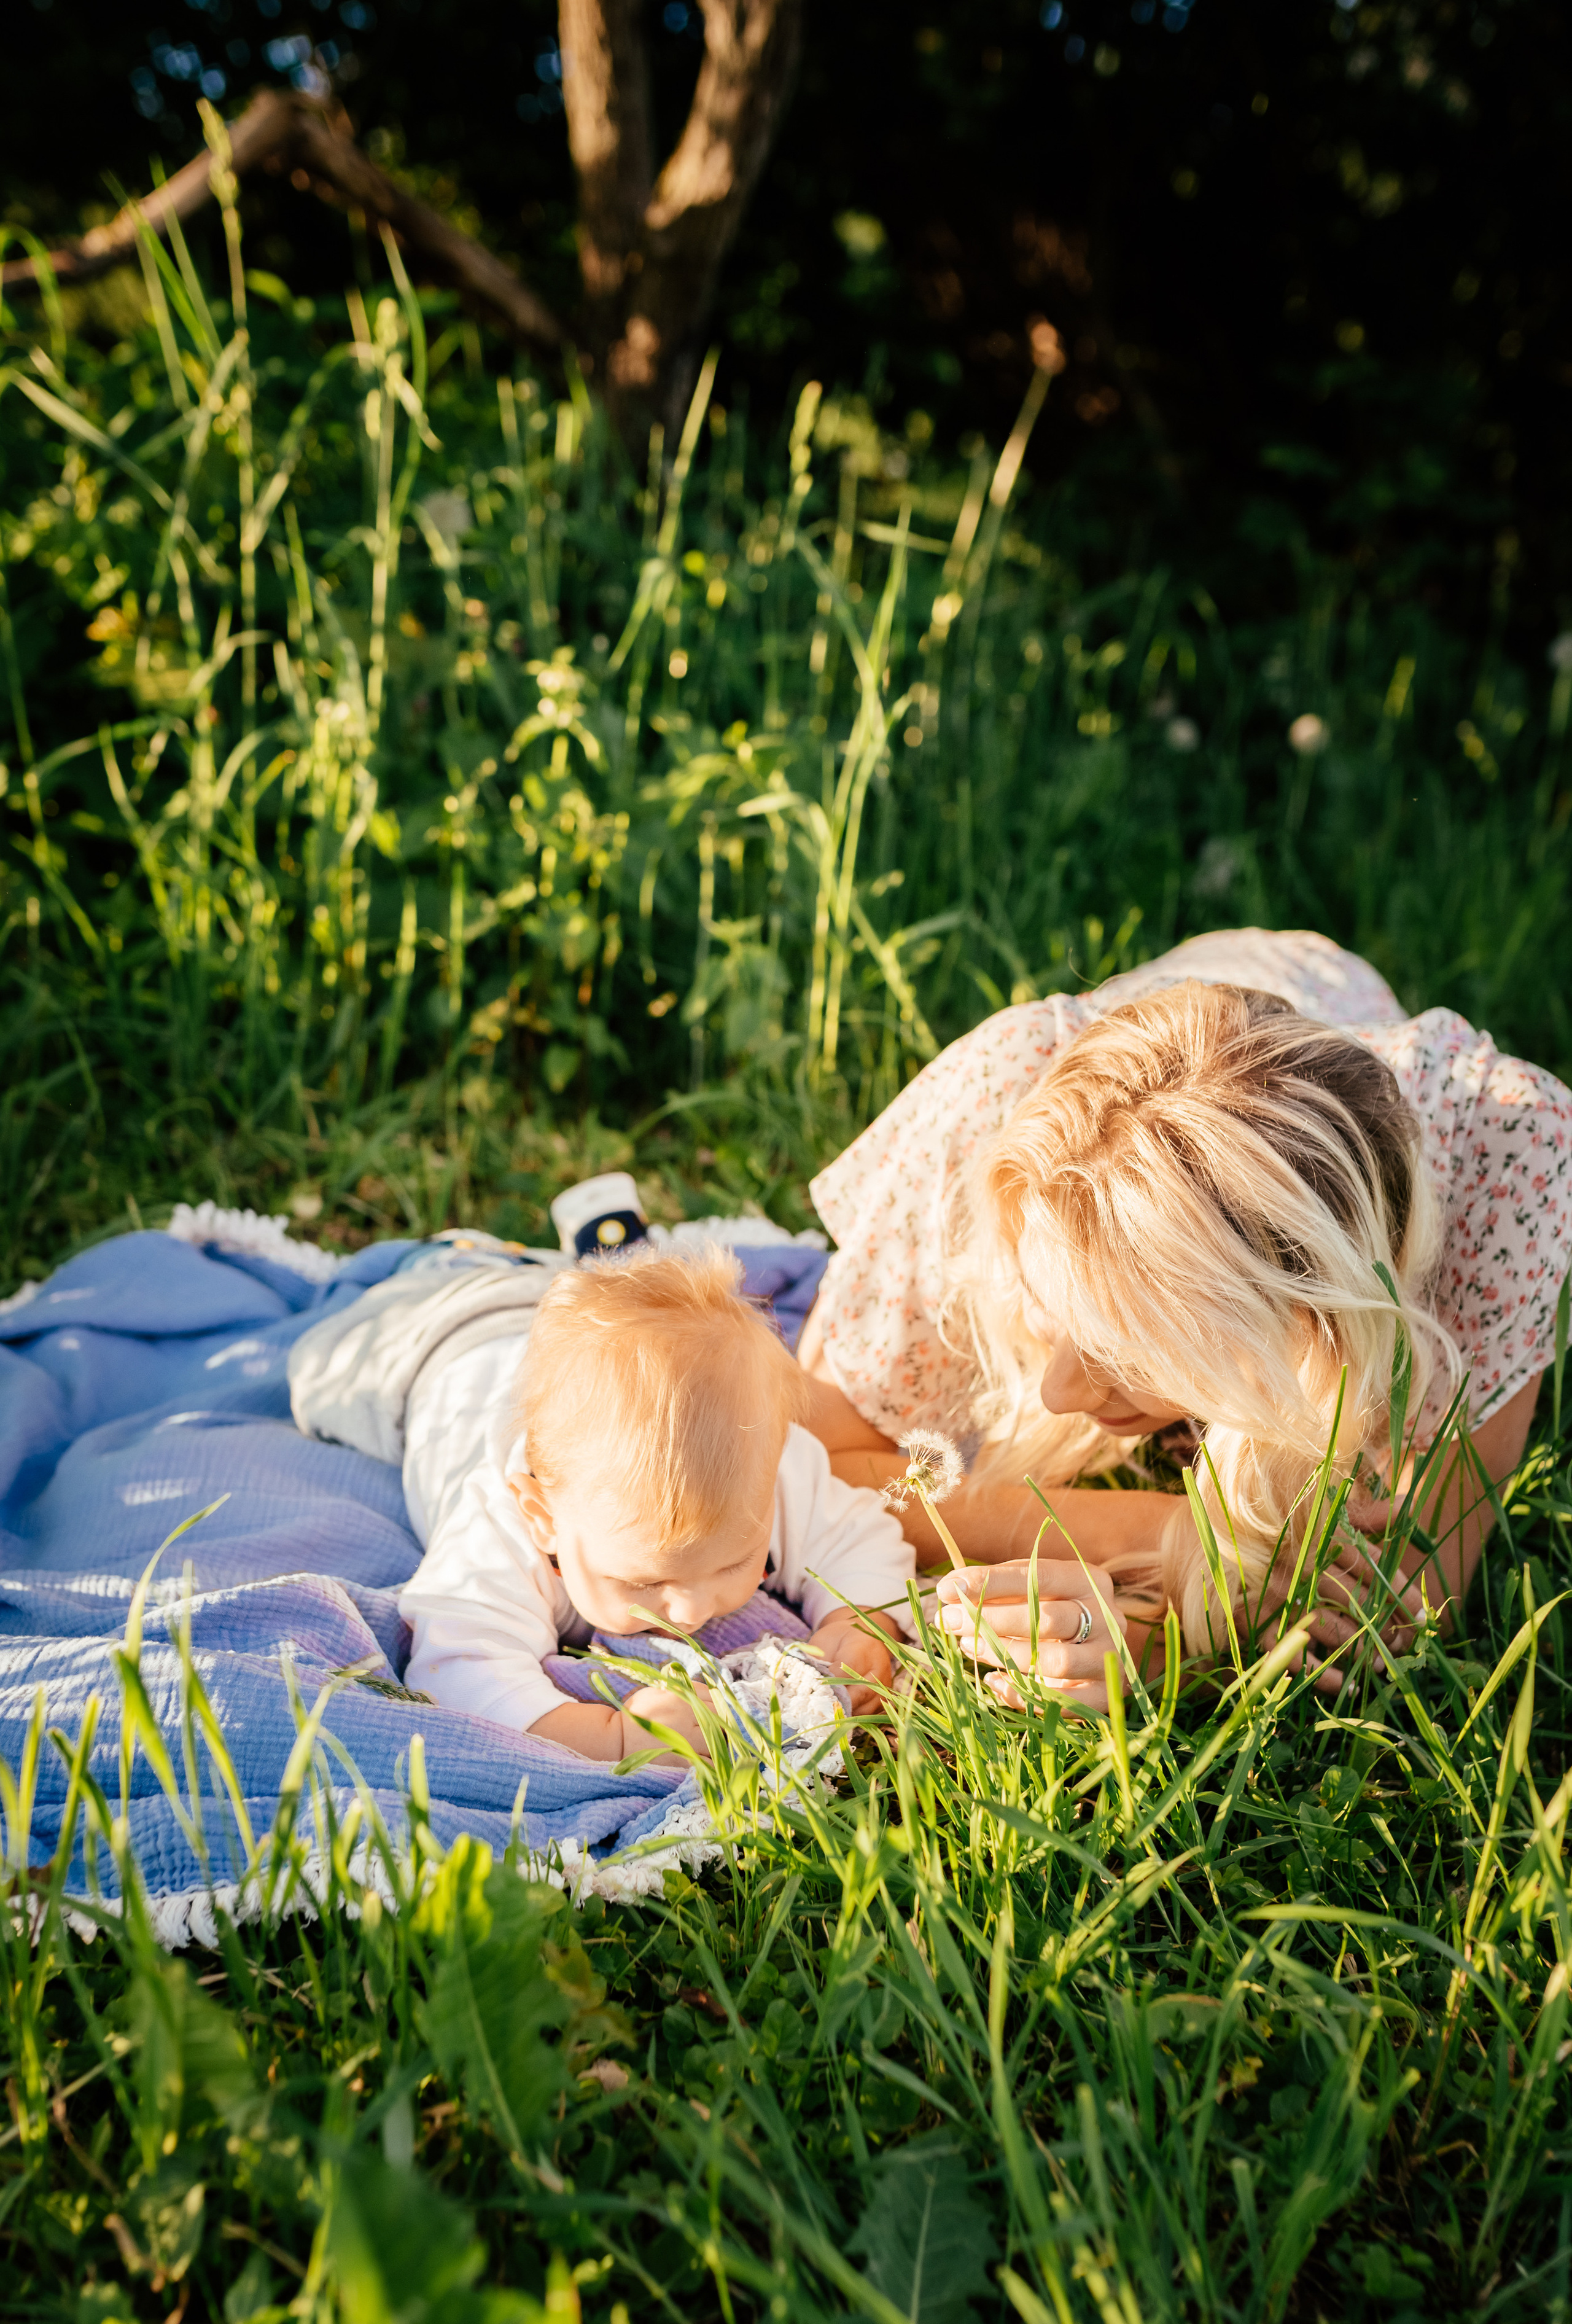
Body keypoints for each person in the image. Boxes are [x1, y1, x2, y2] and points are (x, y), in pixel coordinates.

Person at [794, 929, 1572, 1710]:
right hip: (1231, 1014)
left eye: (1123, 1351)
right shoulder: (996, 1104)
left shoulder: (1510, 1168)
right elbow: (818, 1469)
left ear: (1307, 1321)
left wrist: (1160, 1652)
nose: (1060, 1391)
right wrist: (1172, 1542)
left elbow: (1402, 1610)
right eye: (1051, 1304)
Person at [399, 1246, 913, 1760]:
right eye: (645, 1581)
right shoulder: (497, 1535)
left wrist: (858, 1620)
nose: (690, 1610)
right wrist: (616, 1740)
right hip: (446, 1359)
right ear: (544, 1518)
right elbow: (458, 1670)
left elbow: (858, 1537)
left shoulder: (764, 1466)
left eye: (735, 1561)